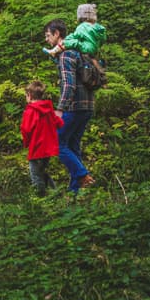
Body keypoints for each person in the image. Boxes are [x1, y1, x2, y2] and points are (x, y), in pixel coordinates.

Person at [43, 18, 96, 193]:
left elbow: (69, 85)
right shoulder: (78, 52)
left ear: (57, 34)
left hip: (74, 107)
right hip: (88, 106)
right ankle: (76, 191)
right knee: (73, 146)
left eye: (48, 35)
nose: (47, 39)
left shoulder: (66, 55)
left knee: (58, 144)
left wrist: (60, 109)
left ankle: (82, 175)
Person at [21, 80, 64, 196]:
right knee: (42, 171)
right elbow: (59, 123)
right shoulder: (49, 110)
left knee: (35, 174)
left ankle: (40, 198)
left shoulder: (30, 111)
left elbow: (26, 129)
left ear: (29, 95)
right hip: (48, 148)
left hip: (37, 147)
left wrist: (26, 143)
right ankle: (55, 192)